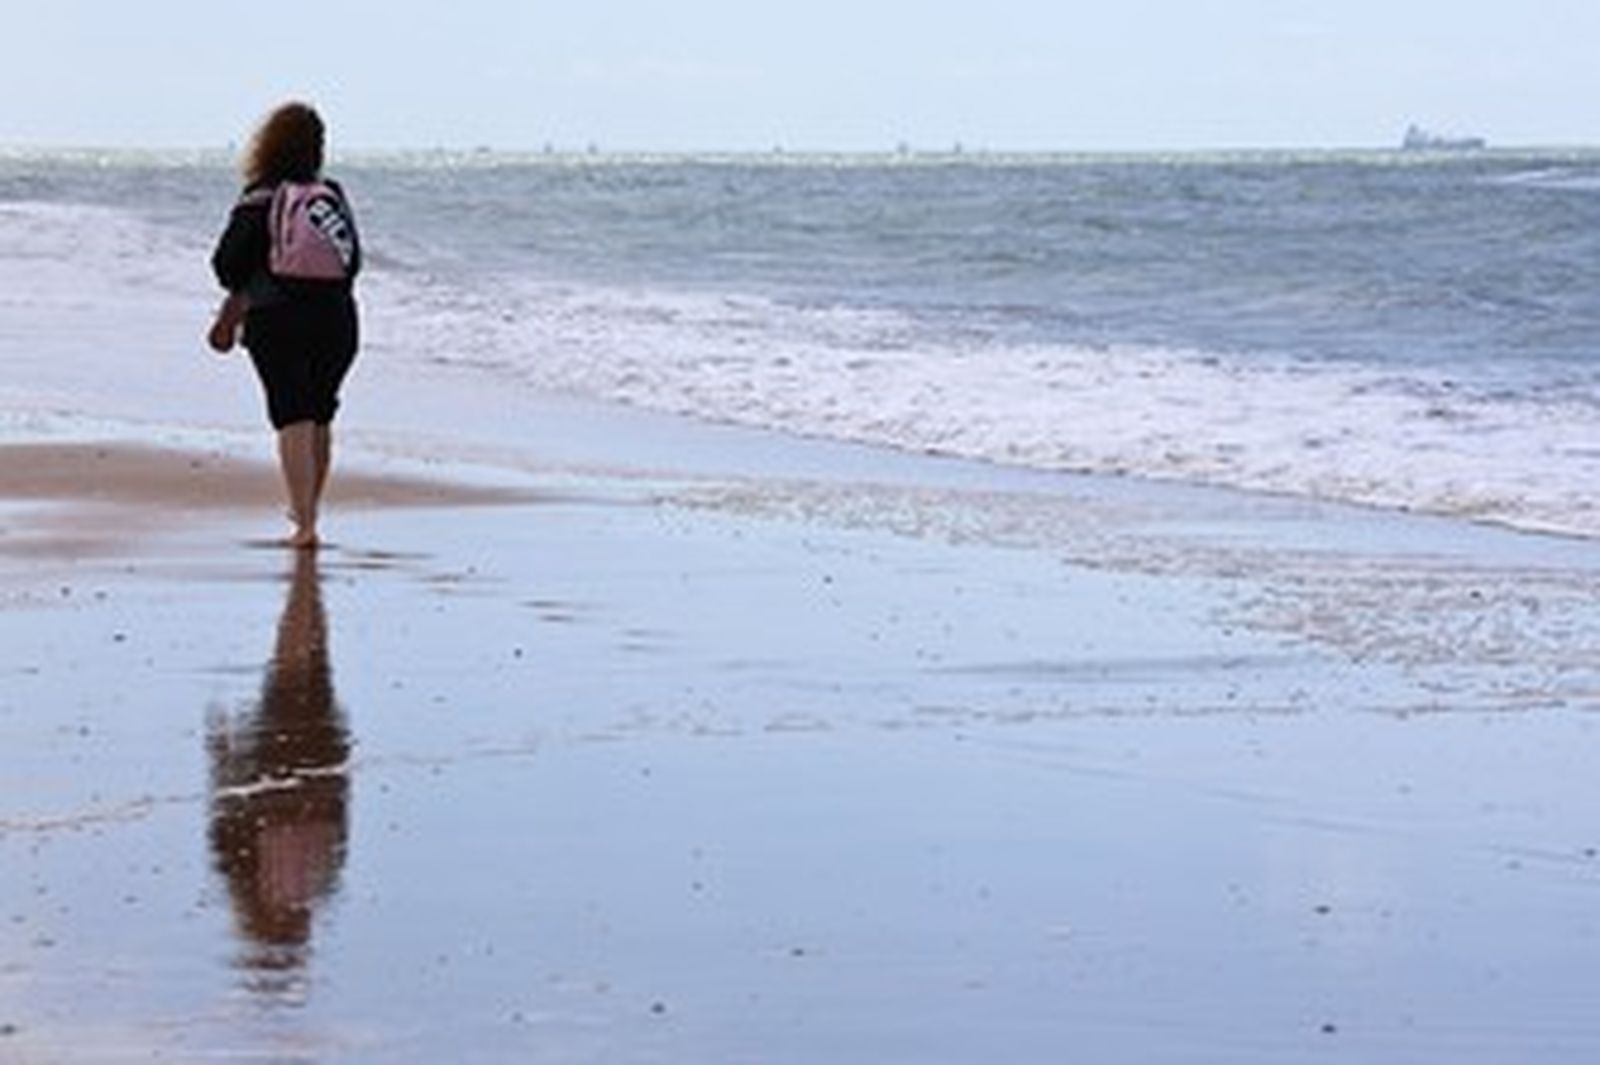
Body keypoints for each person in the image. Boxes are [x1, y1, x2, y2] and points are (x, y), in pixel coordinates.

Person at [211, 102, 361, 549]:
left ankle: (305, 524)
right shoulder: (329, 195)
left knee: (291, 415)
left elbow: (228, 264)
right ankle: (309, 515)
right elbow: (353, 262)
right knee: (320, 413)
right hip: (338, 317)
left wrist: (231, 312)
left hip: (278, 317)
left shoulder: (261, 196)